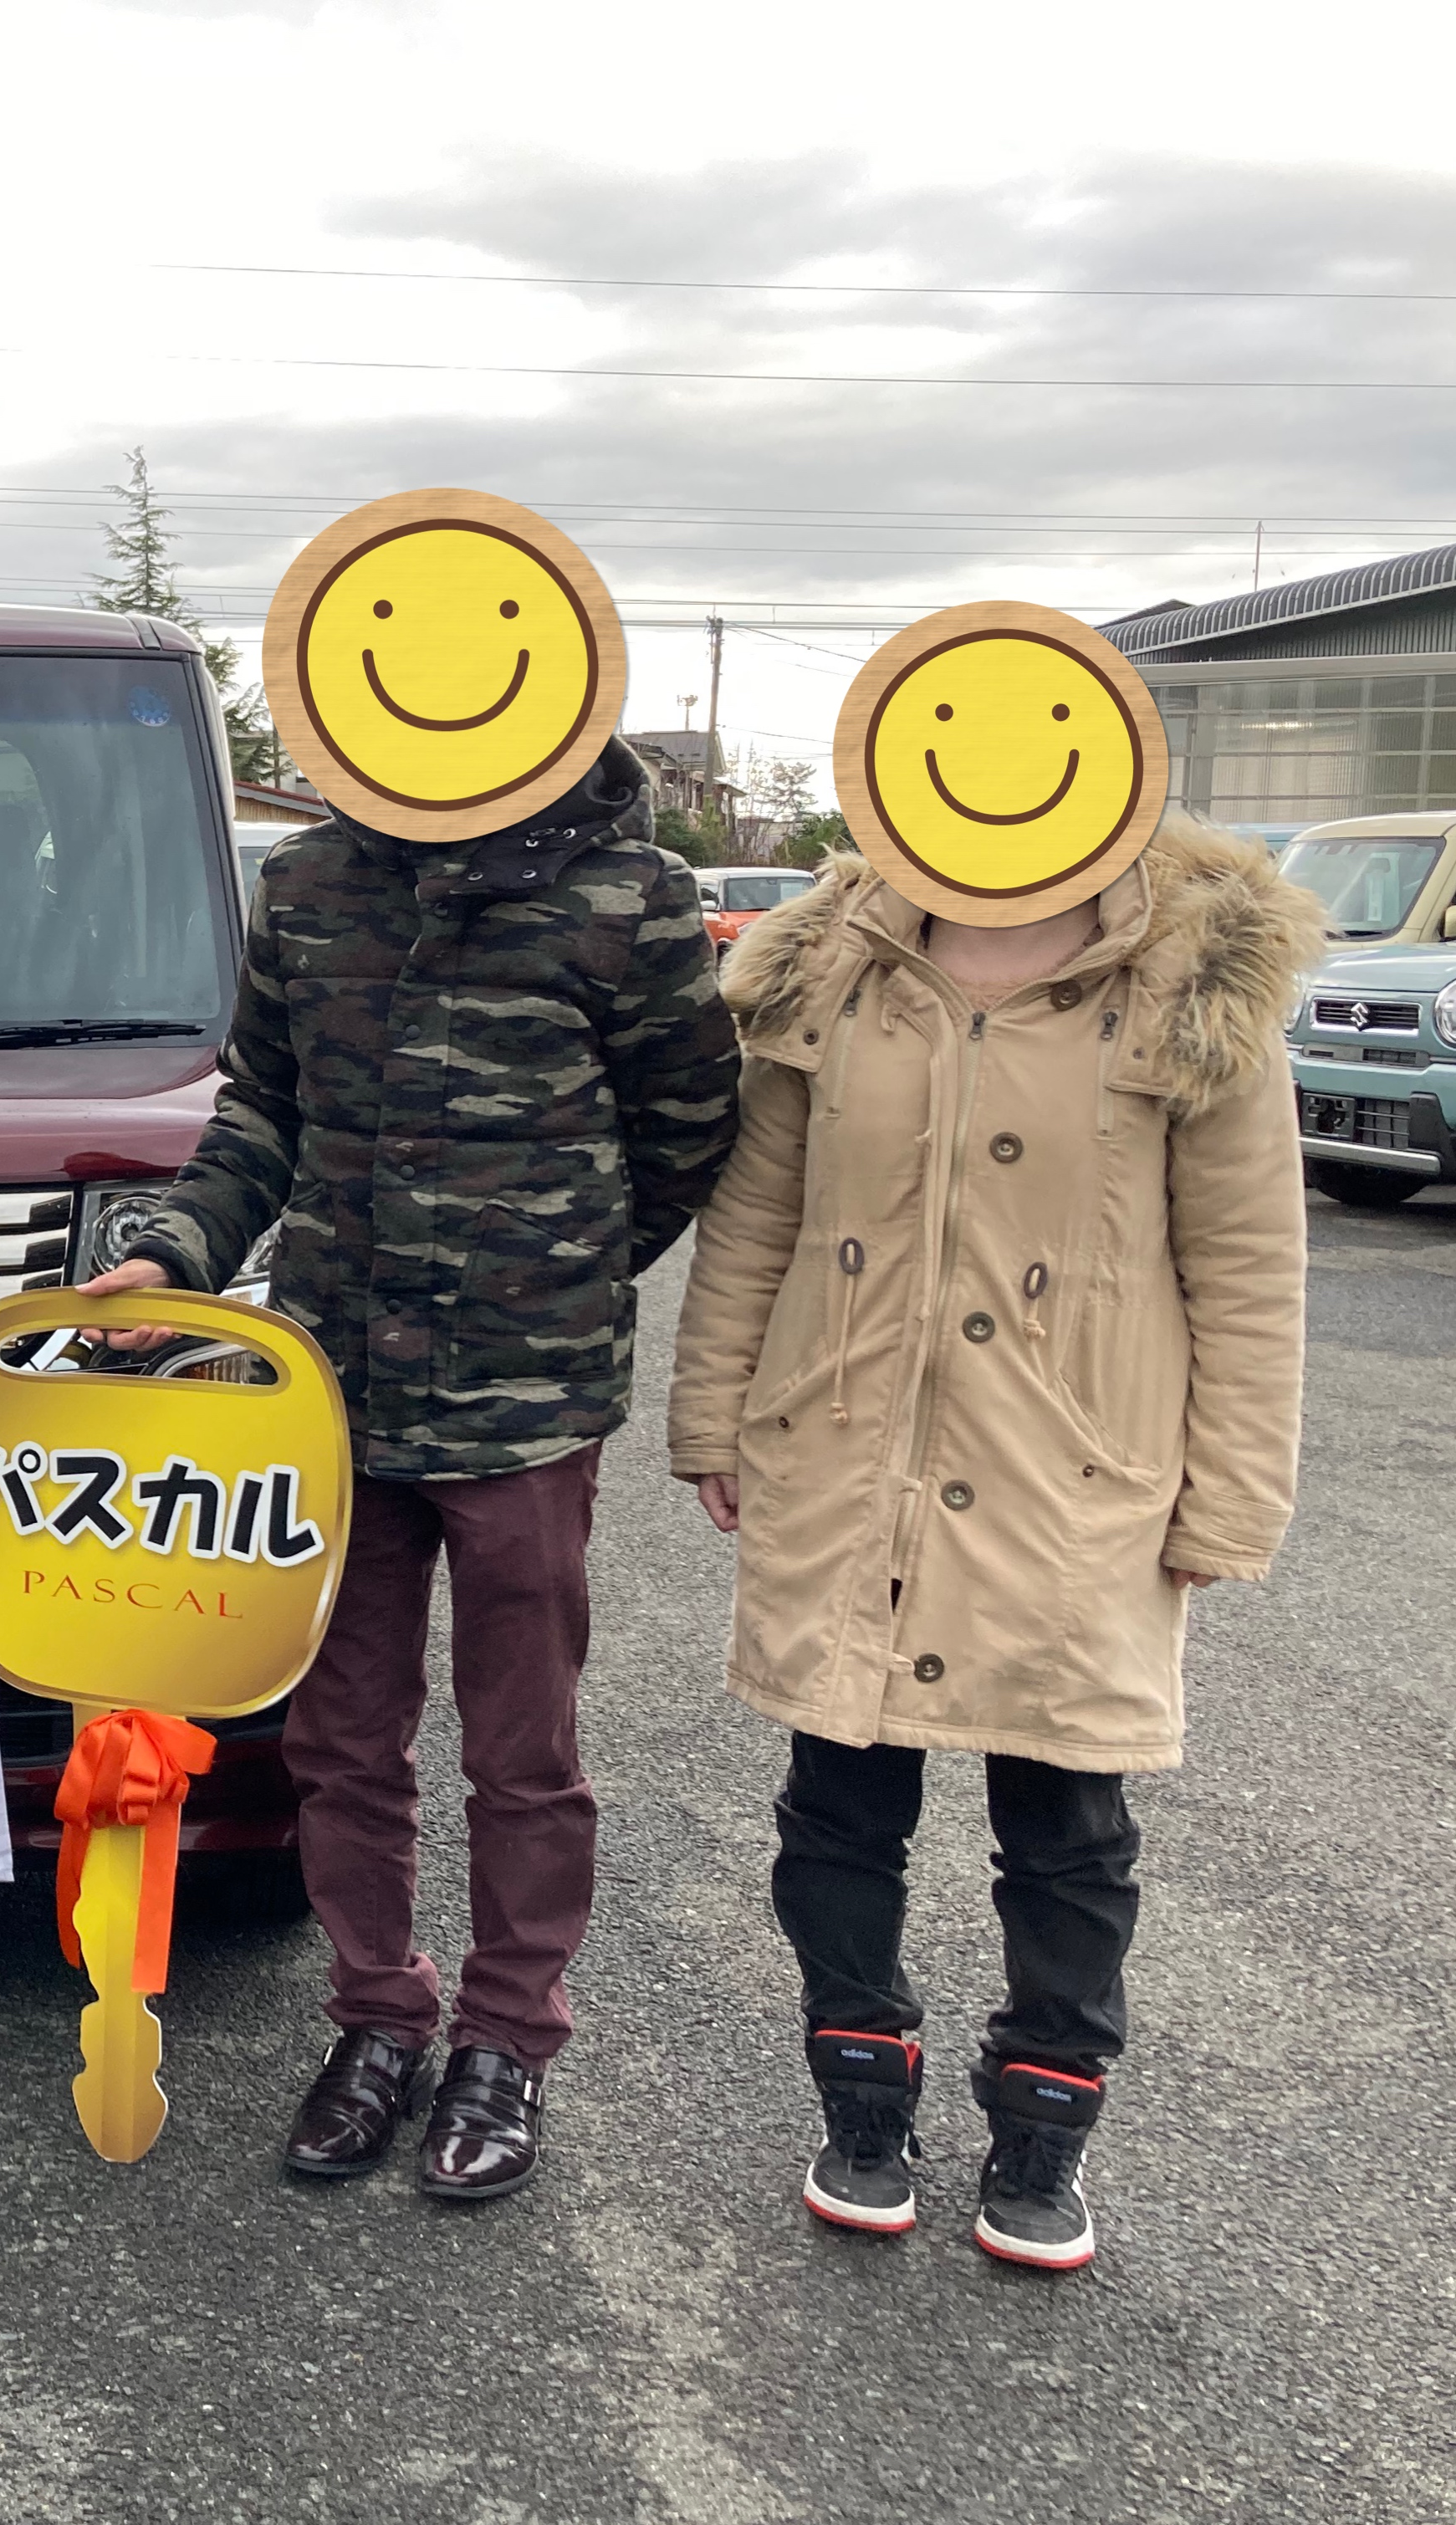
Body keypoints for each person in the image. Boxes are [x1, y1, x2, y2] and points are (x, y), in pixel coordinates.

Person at [86, 738, 740, 2195]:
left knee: (523, 1745)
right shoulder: (309, 881)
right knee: (338, 1734)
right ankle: (377, 2013)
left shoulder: (629, 893)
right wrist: (174, 1256)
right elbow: (261, 1108)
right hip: (331, 1390)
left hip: (526, 1404)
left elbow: (688, 1128)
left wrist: (562, 1269)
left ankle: (508, 2035)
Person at [667, 814, 1320, 2268]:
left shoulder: (1191, 974)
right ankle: (861, 2097)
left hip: (1071, 1468)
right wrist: (712, 1409)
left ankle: (1044, 2121)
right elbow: (756, 1213)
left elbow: (1248, 1265)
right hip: (851, 1449)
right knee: (838, 1797)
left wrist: (1229, 1494)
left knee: (1070, 1821)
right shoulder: (829, 961)